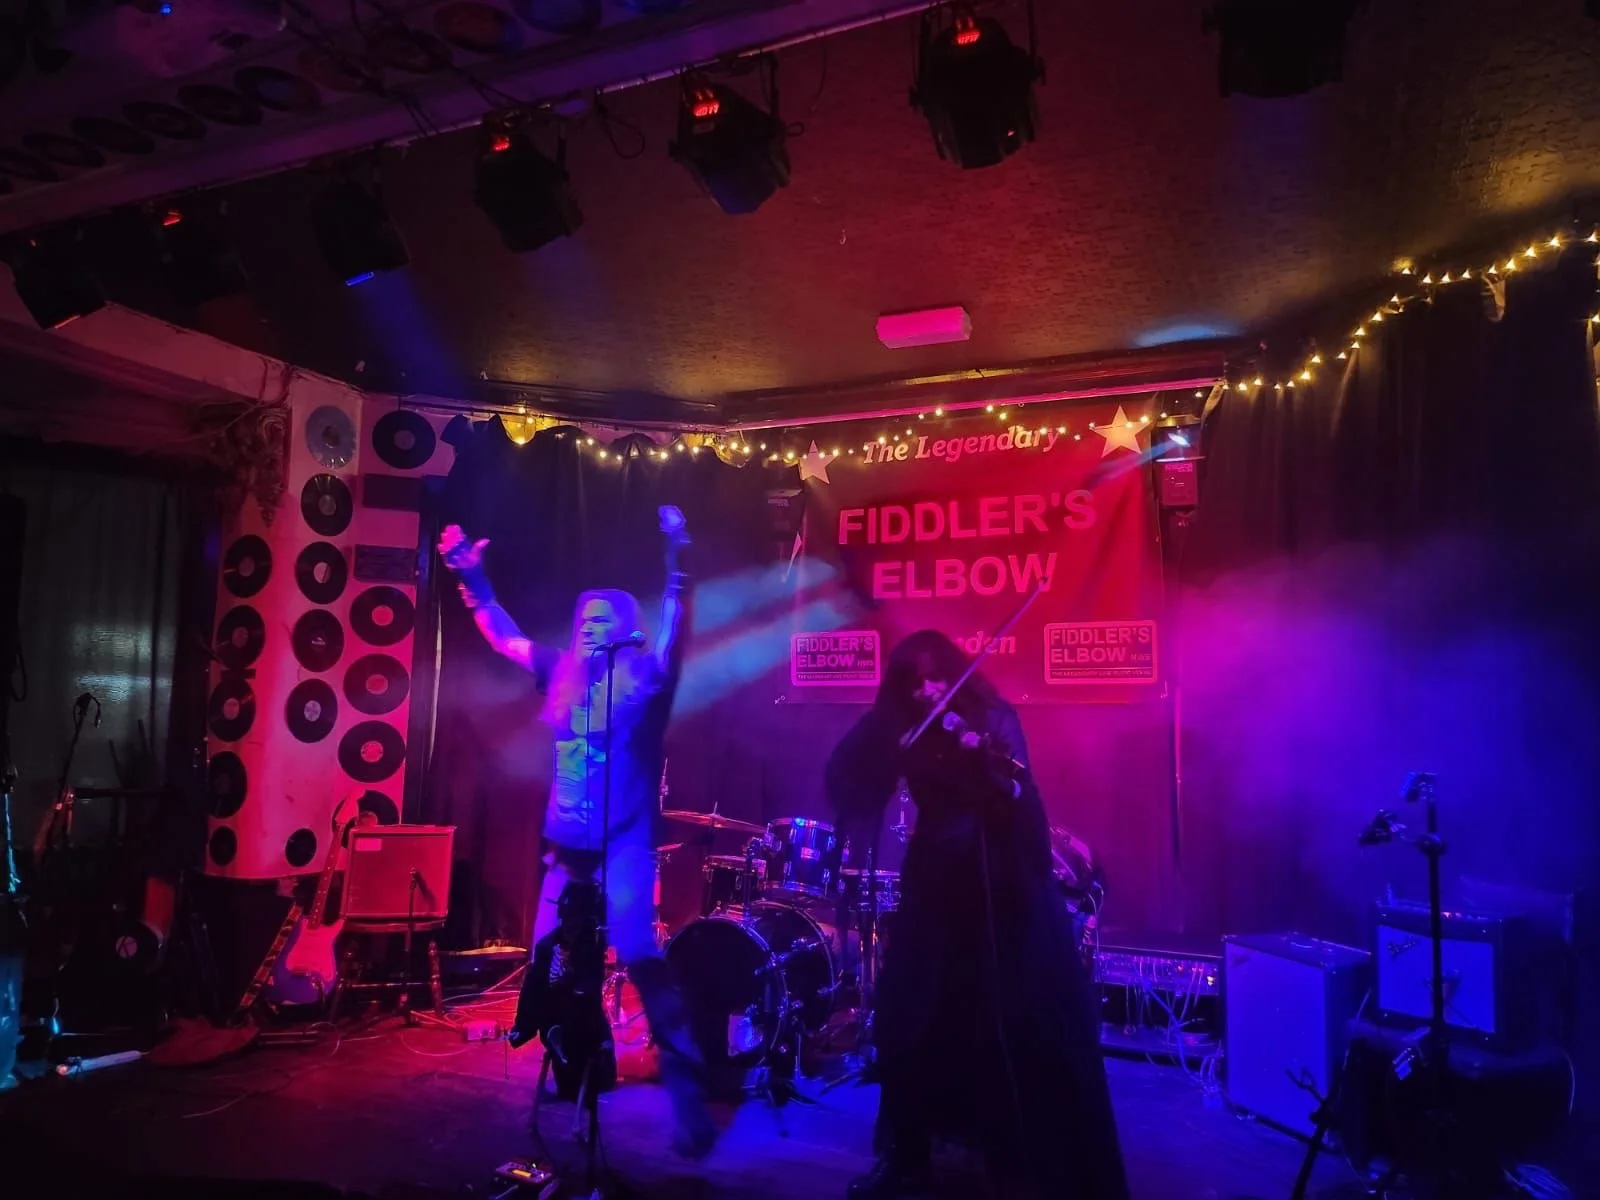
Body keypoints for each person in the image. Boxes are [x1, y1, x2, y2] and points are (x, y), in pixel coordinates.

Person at [438, 505, 716, 1160]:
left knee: (638, 956)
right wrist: (472, 580)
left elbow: (675, 631)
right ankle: (574, 1074)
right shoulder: (559, 671)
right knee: (549, 966)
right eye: (583, 620)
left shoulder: (648, 679)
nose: (588, 630)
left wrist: (679, 559)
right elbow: (503, 635)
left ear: (625, 630)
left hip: (623, 844)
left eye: (601, 622)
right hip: (565, 848)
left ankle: (687, 1094)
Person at [825, 630, 1130, 1200]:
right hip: (932, 877)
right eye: (914, 682)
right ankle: (906, 1155)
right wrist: (874, 759)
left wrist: (987, 764)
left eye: (936, 677)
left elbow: (1022, 799)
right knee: (905, 1014)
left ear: (954, 670)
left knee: (997, 1020)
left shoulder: (992, 716)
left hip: (995, 885)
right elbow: (849, 771)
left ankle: (1010, 1160)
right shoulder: (899, 720)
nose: (928, 689)